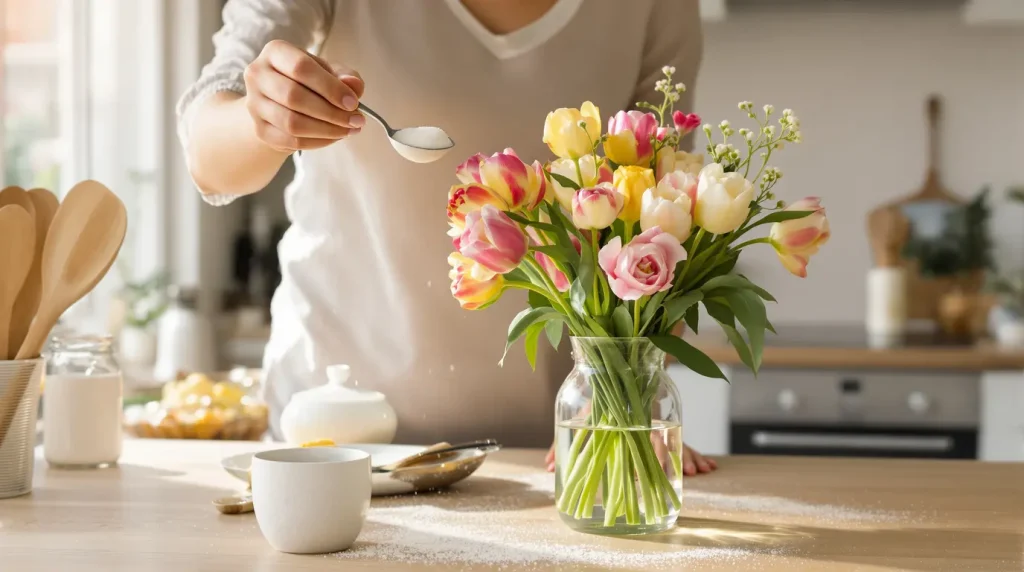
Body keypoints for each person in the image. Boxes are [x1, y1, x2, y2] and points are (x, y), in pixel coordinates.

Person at [178, 0, 716, 476]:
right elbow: (208, 155)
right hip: (330, 449)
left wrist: (631, 400)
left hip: (556, 454)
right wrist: (265, 118)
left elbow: (660, 214)